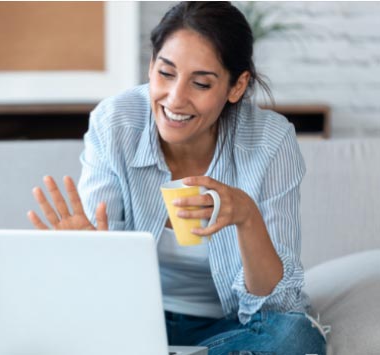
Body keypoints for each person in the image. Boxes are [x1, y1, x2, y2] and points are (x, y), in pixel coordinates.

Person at [28, 2, 327, 354]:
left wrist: (247, 217)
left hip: (230, 327)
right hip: (128, 321)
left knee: (296, 338)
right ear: (151, 66)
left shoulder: (269, 142)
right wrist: (85, 255)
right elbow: (95, 298)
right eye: (165, 73)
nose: (175, 99)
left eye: (200, 83)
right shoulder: (116, 123)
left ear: (236, 86)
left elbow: (277, 306)